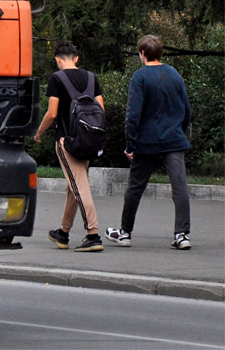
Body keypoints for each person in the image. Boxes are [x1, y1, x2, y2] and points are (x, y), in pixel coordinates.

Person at [105, 35, 193, 250]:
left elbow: (133, 114)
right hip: (173, 139)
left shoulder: (140, 77)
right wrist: (178, 131)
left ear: (142, 53)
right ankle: (181, 235)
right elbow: (187, 110)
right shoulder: (174, 75)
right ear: (160, 52)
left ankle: (125, 232)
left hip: (147, 141)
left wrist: (130, 144)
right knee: (179, 187)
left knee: (135, 187)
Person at [33, 41, 104, 252]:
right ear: (76, 58)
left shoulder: (57, 79)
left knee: (79, 186)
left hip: (67, 140)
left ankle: (93, 234)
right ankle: (63, 233)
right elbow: (100, 109)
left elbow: (52, 113)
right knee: (73, 186)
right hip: (89, 138)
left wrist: (39, 132)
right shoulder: (92, 78)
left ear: (57, 59)